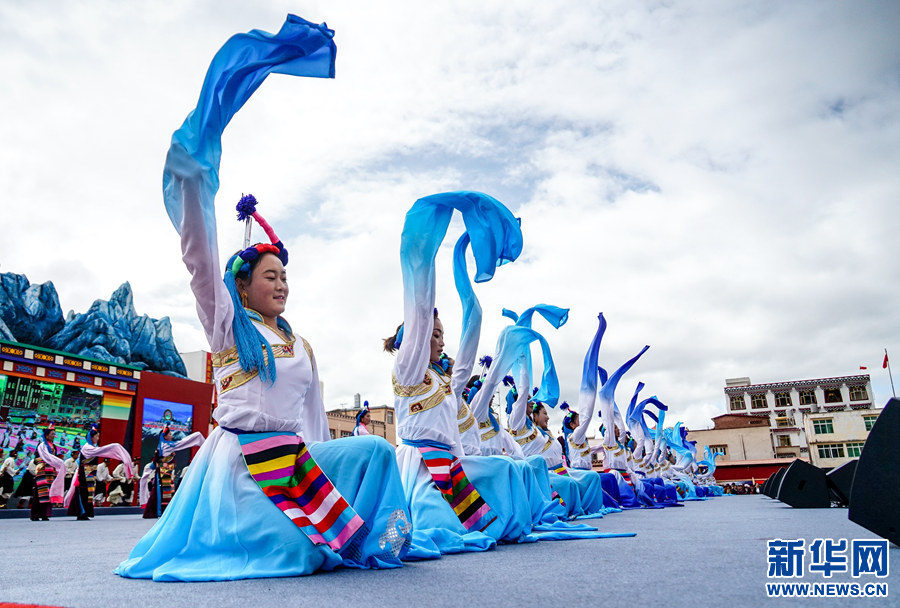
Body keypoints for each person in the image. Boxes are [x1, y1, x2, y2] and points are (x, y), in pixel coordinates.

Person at [116, 186, 412, 580]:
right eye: (270, 276)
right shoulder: (229, 328)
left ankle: (380, 543)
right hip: (243, 462)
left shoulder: (302, 345)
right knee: (302, 552)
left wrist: (321, 484)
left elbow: (312, 424)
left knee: (375, 449)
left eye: (284, 277)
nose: (281, 285)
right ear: (241, 286)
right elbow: (201, 264)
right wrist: (195, 182)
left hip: (294, 459)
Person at [64, 425, 133, 519]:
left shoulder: (92, 447)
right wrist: (114, 447)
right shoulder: (87, 448)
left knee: (89, 493)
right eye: (96, 436)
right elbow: (101, 450)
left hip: (90, 473)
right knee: (83, 492)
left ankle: (85, 513)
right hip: (84, 474)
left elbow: (100, 451)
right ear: (91, 437)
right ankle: (81, 512)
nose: (98, 438)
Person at [31, 424, 66, 521]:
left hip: (51, 472)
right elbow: (38, 459)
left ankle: (45, 514)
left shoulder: (53, 446)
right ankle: (35, 514)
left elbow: (52, 459)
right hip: (42, 471)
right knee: (40, 493)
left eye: (54, 434)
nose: (54, 436)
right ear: (46, 435)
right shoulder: (42, 446)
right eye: (52, 434)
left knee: (48, 493)